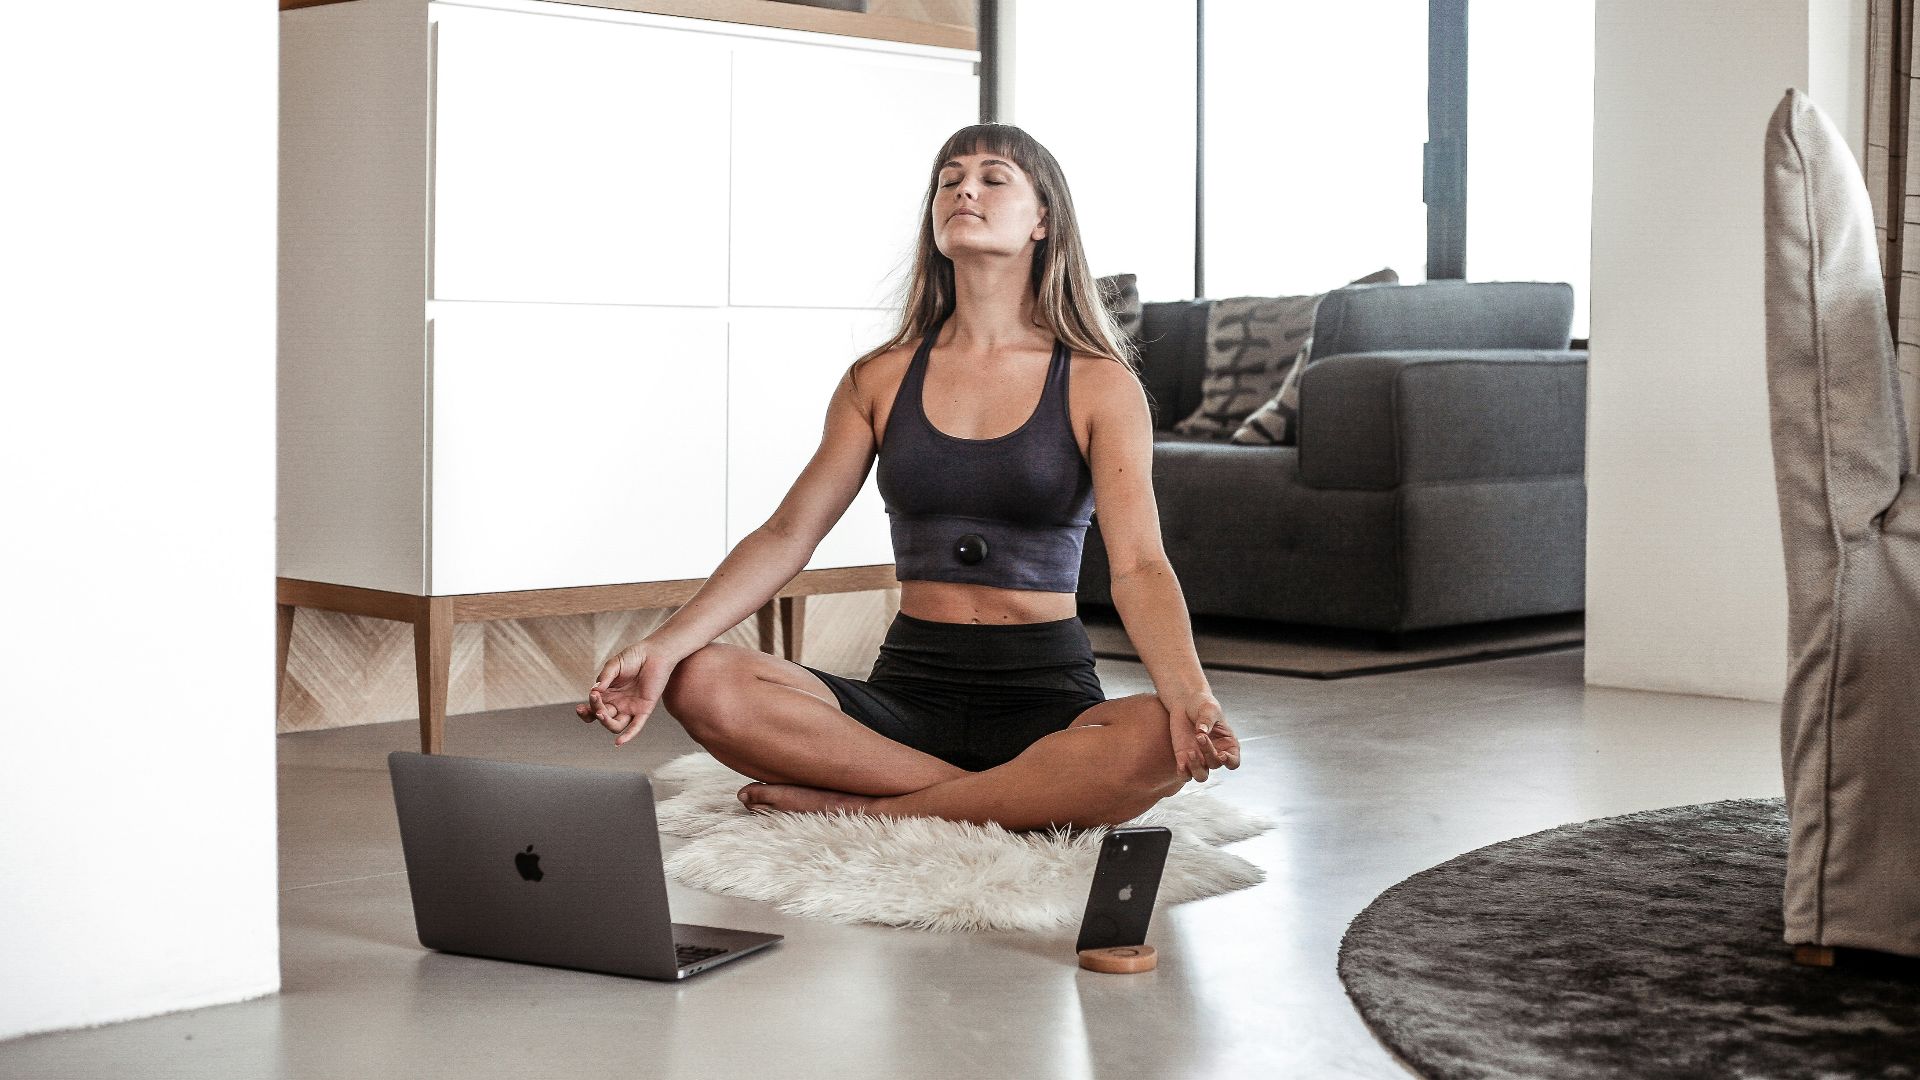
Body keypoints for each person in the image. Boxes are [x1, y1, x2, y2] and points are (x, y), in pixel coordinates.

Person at [575, 123, 1239, 832]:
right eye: (950, 179)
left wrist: (1192, 695)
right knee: (705, 681)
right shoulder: (880, 378)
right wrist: (665, 646)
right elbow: (788, 533)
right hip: (908, 692)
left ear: (1044, 219)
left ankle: (874, 806)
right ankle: (1004, 800)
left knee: (1155, 742)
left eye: (992, 178)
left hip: (1046, 693)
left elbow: (1138, 566)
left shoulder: (1100, 385)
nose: (964, 190)